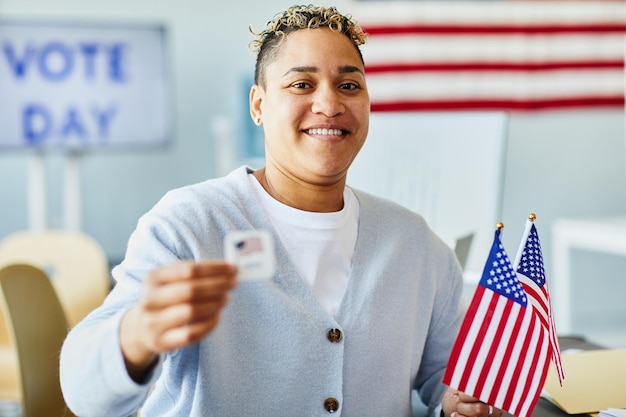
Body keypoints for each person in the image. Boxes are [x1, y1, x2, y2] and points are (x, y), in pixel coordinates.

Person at [60, 4, 504, 417]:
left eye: (349, 85)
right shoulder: (189, 225)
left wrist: (457, 399)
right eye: (301, 84)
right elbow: (84, 392)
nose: (329, 104)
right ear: (258, 105)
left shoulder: (415, 242)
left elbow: (446, 375)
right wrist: (136, 336)